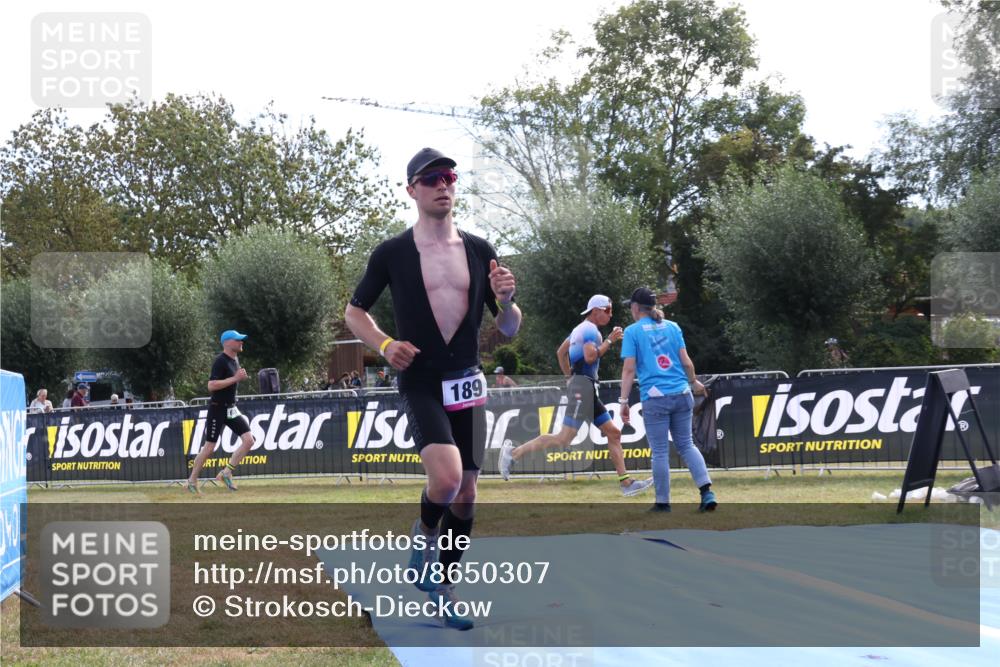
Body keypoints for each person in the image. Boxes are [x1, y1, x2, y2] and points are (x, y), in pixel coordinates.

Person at [345, 147, 522, 631]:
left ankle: (444, 588)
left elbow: (508, 329)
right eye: (431, 179)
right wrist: (383, 344)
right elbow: (354, 312)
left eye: (449, 177)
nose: (443, 185)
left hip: (466, 378)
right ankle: (423, 537)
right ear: (412, 190)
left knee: (467, 495)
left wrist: (506, 302)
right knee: (445, 479)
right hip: (421, 378)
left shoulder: (480, 250)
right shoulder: (392, 252)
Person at [499, 295, 653, 497]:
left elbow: (561, 352)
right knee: (563, 438)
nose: (610, 314)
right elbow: (590, 356)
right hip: (583, 388)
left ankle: (626, 483)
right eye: (608, 310)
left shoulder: (578, 329)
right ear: (596, 311)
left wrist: (569, 377)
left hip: (583, 386)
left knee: (613, 433)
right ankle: (513, 454)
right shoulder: (590, 330)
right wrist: (609, 340)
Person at [618, 287, 717, 513]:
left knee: (660, 452)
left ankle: (663, 503)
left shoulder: (633, 332)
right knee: (687, 445)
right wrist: (694, 383)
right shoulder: (673, 327)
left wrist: (623, 402)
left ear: (635, 307)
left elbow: (629, 370)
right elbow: (687, 363)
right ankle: (706, 492)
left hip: (655, 398)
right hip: (682, 393)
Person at [186, 330, 256, 494]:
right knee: (209, 447)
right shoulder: (220, 361)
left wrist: (236, 379)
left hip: (231, 408)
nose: (241, 342)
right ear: (227, 343)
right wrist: (235, 378)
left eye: (241, 339)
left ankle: (226, 472)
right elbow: (211, 386)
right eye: (238, 340)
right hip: (217, 408)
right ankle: (191, 480)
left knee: (249, 440)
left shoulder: (235, 359)